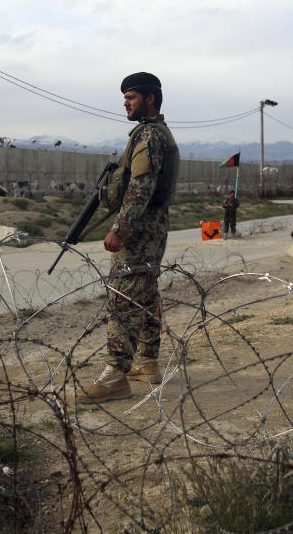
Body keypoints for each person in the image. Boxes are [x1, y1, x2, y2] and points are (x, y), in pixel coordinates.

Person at [76, 72, 179, 404]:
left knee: (122, 300)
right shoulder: (157, 132)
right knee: (145, 295)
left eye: (131, 97)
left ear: (150, 99)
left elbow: (141, 186)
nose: (125, 102)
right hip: (153, 228)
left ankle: (115, 376)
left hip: (139, 231)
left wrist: (120, 229)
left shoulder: (148, 135)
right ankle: (146, 362)